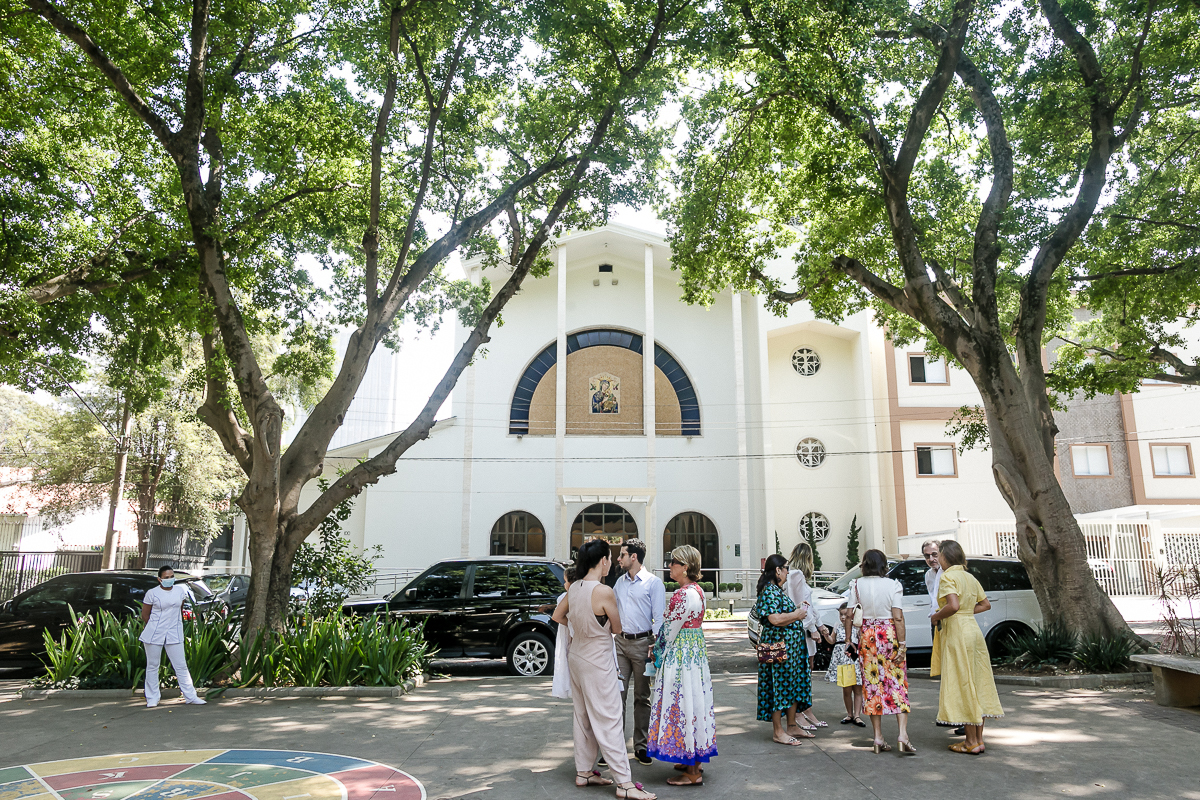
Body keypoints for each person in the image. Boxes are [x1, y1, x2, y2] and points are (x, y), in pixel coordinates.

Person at [553, 540, 656, 800]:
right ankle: (624, 783)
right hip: (597, 660)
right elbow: (618, 628)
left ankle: (584, 771)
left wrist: (580, 626)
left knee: (583, 716)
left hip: (576, 656)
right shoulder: (603, 591)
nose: (612, 562)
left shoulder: (574, 587)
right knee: (609, 718)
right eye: (610, 558)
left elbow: (557, 616)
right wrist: (597, 629)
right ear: (602, 561)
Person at [646, 545, 716, 786]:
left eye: (673, 562)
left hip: (681, 658)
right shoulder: (698, 591)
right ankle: (692, 759)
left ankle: (692, 772)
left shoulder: (682, 594)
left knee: (682, 703)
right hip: (694, 655)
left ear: (685, 567)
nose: (669, 566)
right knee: (694, 703)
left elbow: (669, 630)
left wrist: (656, 652)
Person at [930, 540, 1004, 755]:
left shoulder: (948, 576)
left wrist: (936, 616)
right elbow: (985, 604)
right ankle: (978, 740)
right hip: (973, 632)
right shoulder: (969, 577)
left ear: (945, 557)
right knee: (977, 682)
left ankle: (970, 741)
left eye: (939, 555)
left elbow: (952, 605)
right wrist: (964, 613)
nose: (937, 559)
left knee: (963, 683)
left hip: (957, 634)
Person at [850, 549, 913, 754]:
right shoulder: (893, 585)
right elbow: (898, 616)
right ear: (883, 565)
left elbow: (850, 614)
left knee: (872, 683)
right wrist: (902, 644)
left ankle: (877, 737)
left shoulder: (856, 584)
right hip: (888, 634)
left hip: (867, 635)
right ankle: (902, 735)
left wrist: (848, 640)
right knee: (897, 682)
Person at [752, 554, 814, 746]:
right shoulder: (769, 591)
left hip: (789, 649)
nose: (788, 572)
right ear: (778, 570)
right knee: (778, 685)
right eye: (786, 568)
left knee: (791, 684)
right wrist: (796, 615)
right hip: (778, 648)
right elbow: (774, 619)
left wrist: (795, 611)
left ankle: (792, 725)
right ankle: (778, 731)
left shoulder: (777, 590)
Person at [613, 538, 665, 765]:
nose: (618, 558)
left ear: (634, 557)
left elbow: (660, 617)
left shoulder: (654, 583)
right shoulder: (619, 583)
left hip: (644, 645)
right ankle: (613, 748)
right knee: (616, 696)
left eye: (622, 554)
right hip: (620, 645)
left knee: (642, 698)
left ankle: (641, 747)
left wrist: (654, 645)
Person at [139, 565, 206, 708]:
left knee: (181, 665)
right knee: (152, 665)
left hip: (174, 632)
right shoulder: (152, 593)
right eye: (166, 577)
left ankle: (191, 696)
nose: (170, 579)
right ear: (159, 579)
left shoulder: (180, 591)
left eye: (171, 577)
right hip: (154, 633)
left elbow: (179, 610)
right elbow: (145, 614)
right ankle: (152, 698)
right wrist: (154, 625)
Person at [785, 542, 826, 729]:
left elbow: (809, 605)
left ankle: (806, 708)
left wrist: (819, 624)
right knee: (802, 672)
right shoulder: (797, 575)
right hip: (800, 629)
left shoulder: (792, 575)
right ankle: (799, 711)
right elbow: (801, 605)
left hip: (803, 627)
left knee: (805, 672)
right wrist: (813, 628)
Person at [824, 607, 864, 727]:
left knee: (857, 688)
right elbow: (832, 640)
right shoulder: (837, 626)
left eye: (845, 615)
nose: (842, 617)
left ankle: (857, 715)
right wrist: (826, 635)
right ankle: (849, 714)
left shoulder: (857, 627)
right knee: (846, 688)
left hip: (854, 658)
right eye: (840, 615)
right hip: (842, 659)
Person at [552, 566, 577, 700]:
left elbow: (557, 616)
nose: (564, 584)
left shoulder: (564, 598)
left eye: (566, 581)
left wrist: (571, 624)